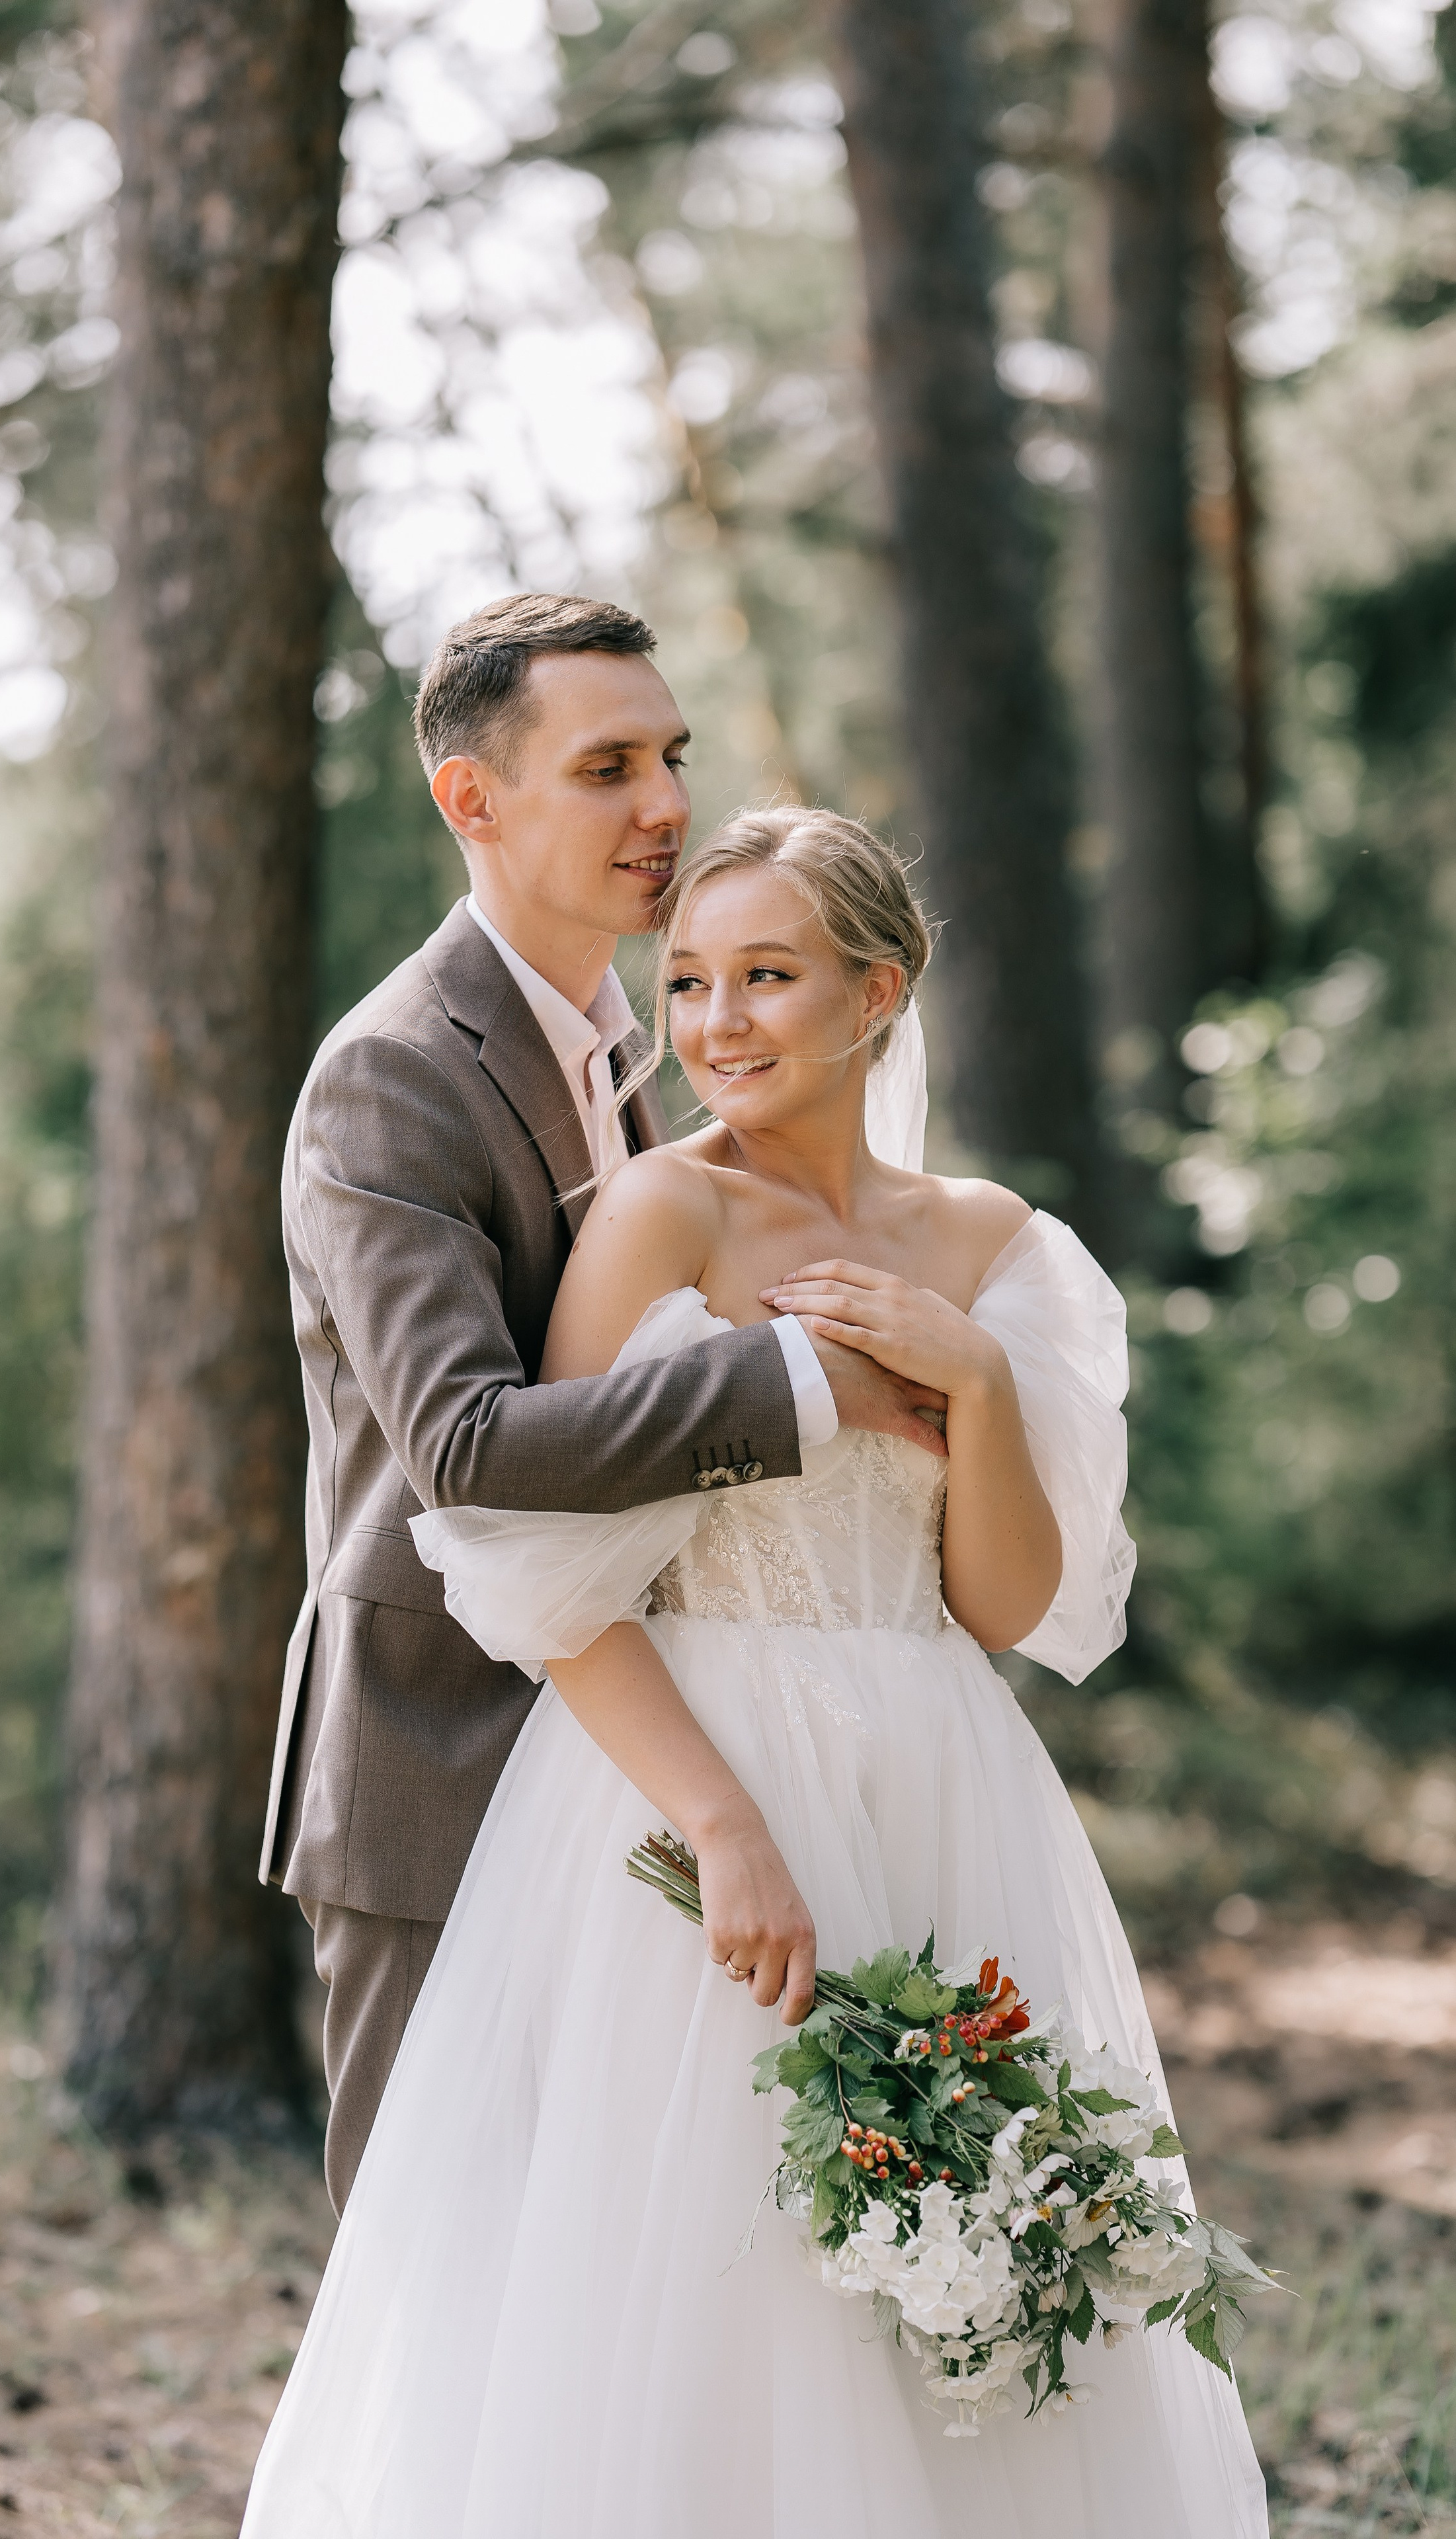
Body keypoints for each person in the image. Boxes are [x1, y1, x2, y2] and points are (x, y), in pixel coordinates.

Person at [243, 807, 1269, 2536]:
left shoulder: (997, 1247)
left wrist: (980, 1388)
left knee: (945, 2238)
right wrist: (720, 1826)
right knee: (707, 2274)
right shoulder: (657, 1216)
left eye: (767, 977)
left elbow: (1008, 1605)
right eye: (693, 980)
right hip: (693, 1794)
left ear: (879, 990)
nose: (716, 1021)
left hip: (944, 1783)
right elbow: (549, 1583)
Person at [263, 596, 944, 2216]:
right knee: (432, 2282)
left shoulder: (638, 1058)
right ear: (471, 801)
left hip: (624, 1751)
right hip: (442, 1753)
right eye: (607, 765)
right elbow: (466, 1444)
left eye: (670, 757)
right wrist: (815, 1382)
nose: (662, 805)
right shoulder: (394, 1076)